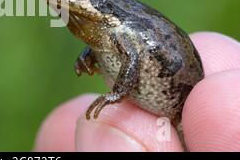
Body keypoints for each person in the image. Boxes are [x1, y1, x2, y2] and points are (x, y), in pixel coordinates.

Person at [34, 32, 240, 151]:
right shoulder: (99, 34)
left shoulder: (116, 29)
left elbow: (132, 56)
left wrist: (118, 93)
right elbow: (97, 44)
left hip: (181, 101)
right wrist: (86, 56)